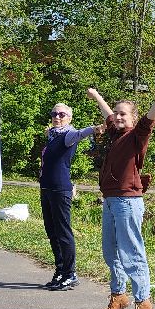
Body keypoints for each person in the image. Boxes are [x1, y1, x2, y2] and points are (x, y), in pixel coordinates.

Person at [86, 82, 155, 309]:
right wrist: (97, 96)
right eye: (117, 113)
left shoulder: (136, 137)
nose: (118, 117)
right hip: (110, 200)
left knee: (131, 252)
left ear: (133, 118)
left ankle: (143, 301)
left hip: (128, 201)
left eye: (123, 114)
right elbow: (108, 115)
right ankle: (119, 295)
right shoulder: (116, 134)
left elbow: (149, 121)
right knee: (110, 251)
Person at [37, 102, 98, 290]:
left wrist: (94, 128)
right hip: (47, 188)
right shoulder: (52, 135)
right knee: (52, 232)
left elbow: (80, 134)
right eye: (54, 113)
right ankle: (60, 270)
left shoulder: (68, 135)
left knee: (63, 233)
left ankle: (70, 274)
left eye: (62, 114)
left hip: (60, 189)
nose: (57, 117)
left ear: (69, 118)